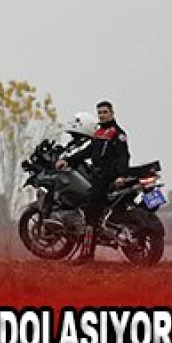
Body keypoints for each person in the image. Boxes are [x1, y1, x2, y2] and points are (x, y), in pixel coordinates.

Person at [58, 100, 130, 264]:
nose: (102, 115)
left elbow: (124, 156)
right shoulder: (99, 134)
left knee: (91, 215)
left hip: (107, 177)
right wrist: (68, 160)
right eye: (100, 113)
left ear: (112, 113)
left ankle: (86, 255)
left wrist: (121, 175)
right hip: (97, 175)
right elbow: (87, 152)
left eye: (105, 112)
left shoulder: (117, 134)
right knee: (92, 211)